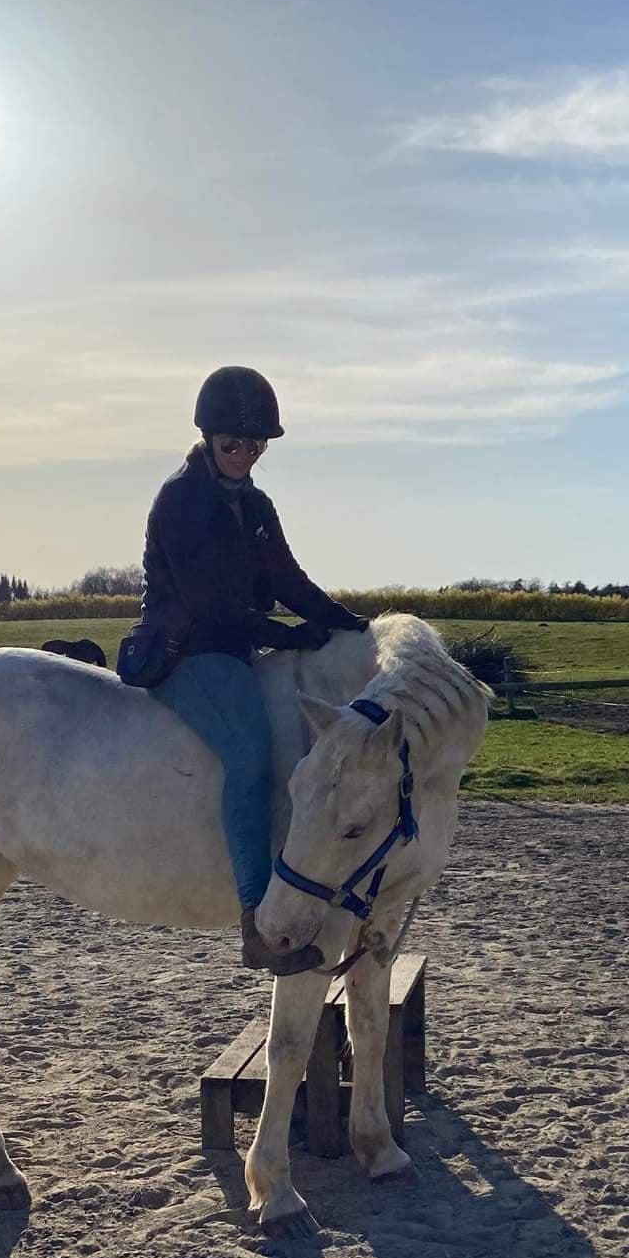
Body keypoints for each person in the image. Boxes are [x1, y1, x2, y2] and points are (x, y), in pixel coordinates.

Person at [117, 366, 368, 975]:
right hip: (189, 652)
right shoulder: (182, 499)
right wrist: (283, 635)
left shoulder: (255, 503)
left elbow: (287, 579)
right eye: (233, 444)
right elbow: (209, 603)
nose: (245, 455)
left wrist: (350, 624)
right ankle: (257, 921)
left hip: (238, 647)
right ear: (207, 438)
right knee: (252, 760)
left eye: (256, 446)